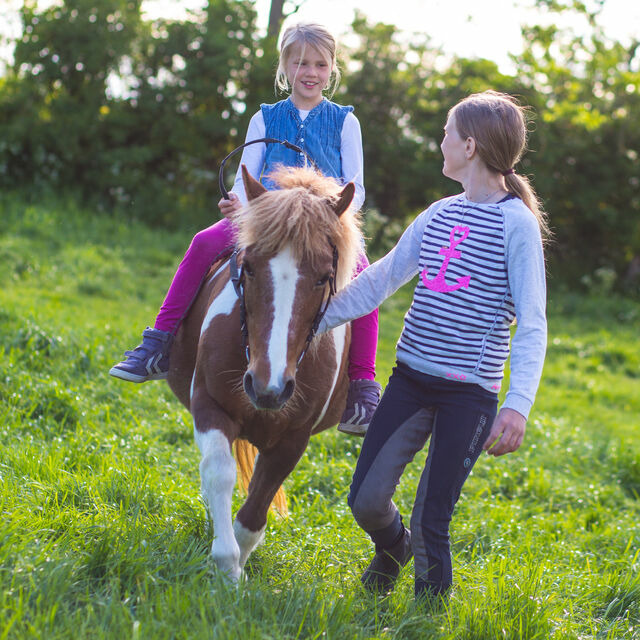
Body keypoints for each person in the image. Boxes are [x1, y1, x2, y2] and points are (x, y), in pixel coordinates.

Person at [317, 90, 549, 600]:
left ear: (469, 145)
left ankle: (425, 618)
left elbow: (533, 323)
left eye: (446, 133)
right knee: (366, 500)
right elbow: (381, 279)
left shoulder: (518, 225)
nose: (439, 142)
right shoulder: (439, 213)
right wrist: (312, 323)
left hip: (469, 396)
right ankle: (390, 548)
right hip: (411, 381)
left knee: (430, 522)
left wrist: (517, 405)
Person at [109, 23, 381, 435]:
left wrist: (332, 213)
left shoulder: (346, 122)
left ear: (332, 69)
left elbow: (355, 186)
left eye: (320, 64)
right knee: (203, 242)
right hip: (268, 219)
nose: (310, 71)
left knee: (365, 277)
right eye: (300, 62)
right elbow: (245, 175)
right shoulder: (265, 117)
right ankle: (159, 342)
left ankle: (361, 385)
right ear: (285, 66)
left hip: (323, 222)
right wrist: (237, 203)